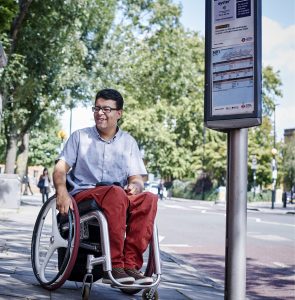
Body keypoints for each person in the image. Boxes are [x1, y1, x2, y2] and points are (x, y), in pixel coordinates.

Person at [53, 88, 158, 285]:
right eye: (97, 108)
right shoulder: (80, 137)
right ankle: (115, 265)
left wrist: (135, 186)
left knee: (149, 199)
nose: (100, 113)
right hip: (85, 196)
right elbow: (60, 169)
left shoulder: (128, 142)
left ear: (119, 113)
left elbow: (137, 179)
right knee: (115, 193)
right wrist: (61, 191)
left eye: (107, 109)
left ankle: (131, 266)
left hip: (117, 197)